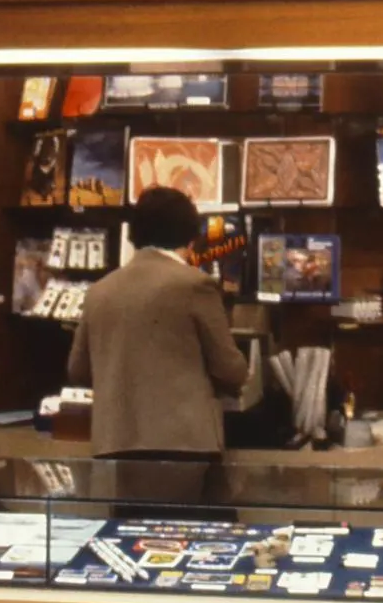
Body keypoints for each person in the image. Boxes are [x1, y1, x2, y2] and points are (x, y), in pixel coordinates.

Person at [68, 186, 250, 460]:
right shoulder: (195, 285)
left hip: (113, 445)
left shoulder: (99, 291)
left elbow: (78, 370)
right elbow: (230, 369)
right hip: (184, 445)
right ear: (190, 236)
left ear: (135, 234)